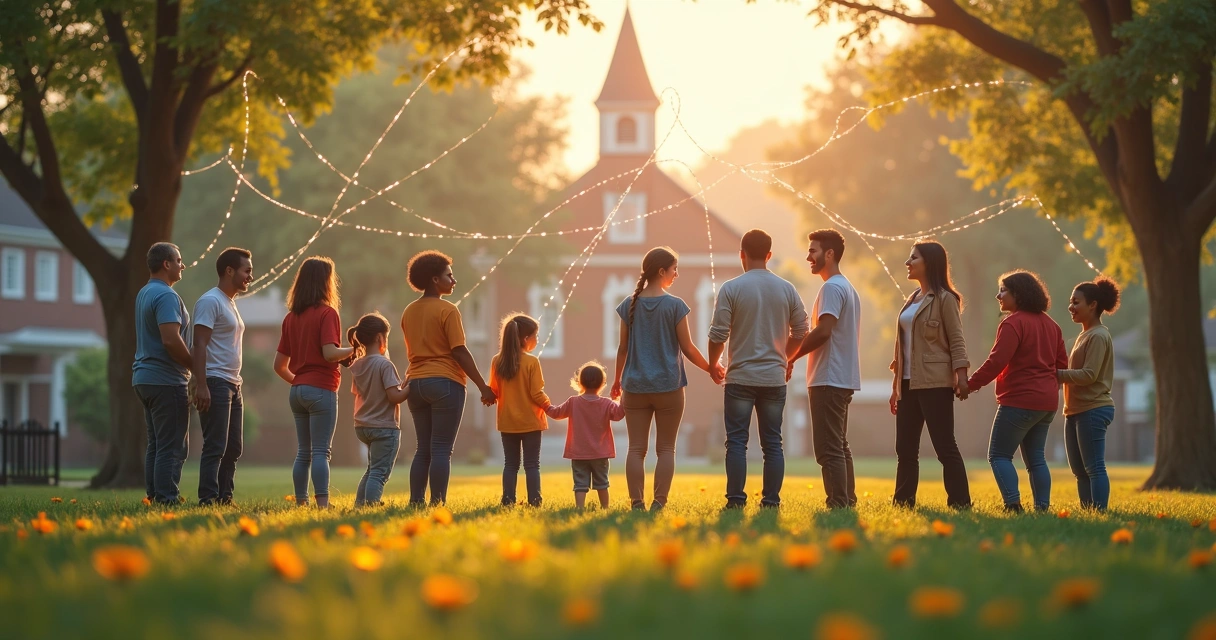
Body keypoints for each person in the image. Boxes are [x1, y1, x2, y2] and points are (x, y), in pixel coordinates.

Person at [708, 229, 809, 509]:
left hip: (739, 376)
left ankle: (736, 501)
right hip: (774, 379)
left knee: (737, 442)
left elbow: (718, 334)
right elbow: (801, 330)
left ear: (741, 254)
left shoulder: (731, 288)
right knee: (772, 443)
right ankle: (771, 501)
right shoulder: (787, 288)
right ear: (769, 255)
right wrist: (785, 358)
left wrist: (713, 363)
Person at [611, 246, 716, 512]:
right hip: (669, 387)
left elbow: (622, 349)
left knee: (636, 449)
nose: (676, 274)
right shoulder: (675, 305)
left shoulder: (628, 305)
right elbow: (688, 348)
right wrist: (711, 368)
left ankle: (637, 502)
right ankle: (659, 502)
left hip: (634, 387)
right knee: (666, 448)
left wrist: (616, 381)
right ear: (661, 271)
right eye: (674, 269)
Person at [401, 250, 496, 507]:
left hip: (416, 384)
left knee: (423, 448)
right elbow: (459, 351)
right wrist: (483, 386)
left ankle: (416, 501)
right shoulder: (448, 310)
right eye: (449, 276)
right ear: (434, 279)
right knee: (442, 448)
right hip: (445, 382)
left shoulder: (409, 311)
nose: (453, 281)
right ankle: (437, 503)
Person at [967, 270, 1068, 512]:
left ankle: (1013, 504)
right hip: (1046, 403)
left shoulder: (1013, 323)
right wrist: (1047, 388)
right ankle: (1042, 508)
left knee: (999, 455)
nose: (998, 295)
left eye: (1003, 290)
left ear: (1018, 294)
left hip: (1019, 400)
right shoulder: (1052, 325)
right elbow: (1062, 366)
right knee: (1036, 459)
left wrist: (970, 385)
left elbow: (996, 361)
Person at [888, 241, 972, 509]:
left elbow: (957, 340)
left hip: (935, 382)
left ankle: (960, 503)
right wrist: (895, 387)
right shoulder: (911, 299)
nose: (908, 263)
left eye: (914, 258)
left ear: (929, 263)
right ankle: (903, 502)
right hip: (907, 382)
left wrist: (961, 375)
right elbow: (901, 349)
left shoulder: (946, 299)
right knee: (905, 449)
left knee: (945, 447)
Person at [789, 229, 862, 509]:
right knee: (839, 445)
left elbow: (823, 331)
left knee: (828, 448)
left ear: (829, 254)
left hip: (828, 378)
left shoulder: (832, 287)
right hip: (841, 377)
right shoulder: (847, 287)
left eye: (813, 250)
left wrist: (791, 357)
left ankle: (838, 502)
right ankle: (847, 500)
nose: (809, 256)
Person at [274, 257, 354, 509]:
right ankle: (322, 504)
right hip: (321, 388)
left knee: (303, 452)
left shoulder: (290, 318)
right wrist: (354, 349)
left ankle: (301, 502)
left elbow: (279, 366)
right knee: (321, 452)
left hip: (297, 391)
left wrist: (299, 383)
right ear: (325, 282)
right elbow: (330, 353)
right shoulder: (327, 313)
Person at [192, 247, 253, 506]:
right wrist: (201, 384)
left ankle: (225, 497)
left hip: (232, 383)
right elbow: (199, 345)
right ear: (229, 271)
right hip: (215, 381)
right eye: (246, 270)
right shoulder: (210, 301)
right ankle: (208, 498)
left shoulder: (230, 303)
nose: (251, 276)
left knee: (234, 447)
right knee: (215, 445)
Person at [133, 242, 193, 505]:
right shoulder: (167, 296)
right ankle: (167, 499)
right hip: (166, 379)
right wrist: (194, 366)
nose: (183, 265)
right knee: (172, 446)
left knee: (156, 444)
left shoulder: (144, 292)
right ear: (166, 264)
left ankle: (155, 496)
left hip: (144, 378)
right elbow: (170, 339)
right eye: (179, 260)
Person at [1059, 277, 1120, 511]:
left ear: (1092, 305)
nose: (1071, 307)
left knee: (1094, 467)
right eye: (1070, 302)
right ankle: (1088, 512)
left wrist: (1056, 374)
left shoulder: (1098, 335)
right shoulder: (1084, 335)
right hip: (1075, 410)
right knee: (1079, 470)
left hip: (1093, 408)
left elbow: (1089, 375)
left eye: (1076, 302)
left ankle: (1100, 512)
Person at [347, 312, 410, 507]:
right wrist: (412, 386)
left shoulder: (357, 364)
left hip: (363, 426)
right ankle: (371, 505)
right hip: (384, 427)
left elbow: (366, 392)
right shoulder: (385, 364)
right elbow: (394, 397)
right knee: (379, 472)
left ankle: (360, 504)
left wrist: (403, 383)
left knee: (371, 469)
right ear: (379, 337)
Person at [489, 313, 551, 507]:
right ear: (526, 339)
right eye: (536, 335)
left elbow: (494, 390)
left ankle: (508, 500)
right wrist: (550, 407)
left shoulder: (497, 361)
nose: (537, 339)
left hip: (507, 422)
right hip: (531, 421)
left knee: (511, 464)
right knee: (532, 465)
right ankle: (535, 501)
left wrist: (487, 397)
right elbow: (536, 393)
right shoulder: (532, 362)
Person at [547, 362, 625, 509]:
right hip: (601, 453)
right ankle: (605, 508)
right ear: (602, 383)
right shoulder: (607, 403)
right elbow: (619, 414)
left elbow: (556, 413)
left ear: (579, 382)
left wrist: (544, 404)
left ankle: (580, 507)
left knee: (580, 483)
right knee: (602, 483)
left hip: (578, 453)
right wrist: (622, 396)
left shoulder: (573, 402)